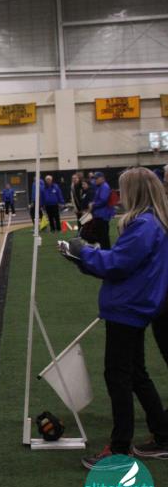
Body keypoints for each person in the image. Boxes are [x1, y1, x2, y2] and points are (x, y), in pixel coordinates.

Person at [61, 168, 168, 467]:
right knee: (136, 374)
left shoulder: (144, 225)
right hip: (136, 304)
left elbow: (118, 264)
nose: (119, 196)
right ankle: (162, 434)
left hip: (128, 307)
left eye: (123, 190)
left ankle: (120, 448)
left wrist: (83, 252)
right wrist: (81, 257)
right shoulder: (153, 222)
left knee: (118, 376)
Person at [89, 172, 115, 249]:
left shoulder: (104, 187)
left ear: (102, 178)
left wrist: (93, 204)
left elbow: (103, 200)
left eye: (97, 178)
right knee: (101, 236)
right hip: (100, 214)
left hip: (102, 215)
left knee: (103, 237)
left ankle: (106, 251)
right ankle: (104, 251)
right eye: (95, 178)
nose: (95, 180)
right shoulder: (100, 186)